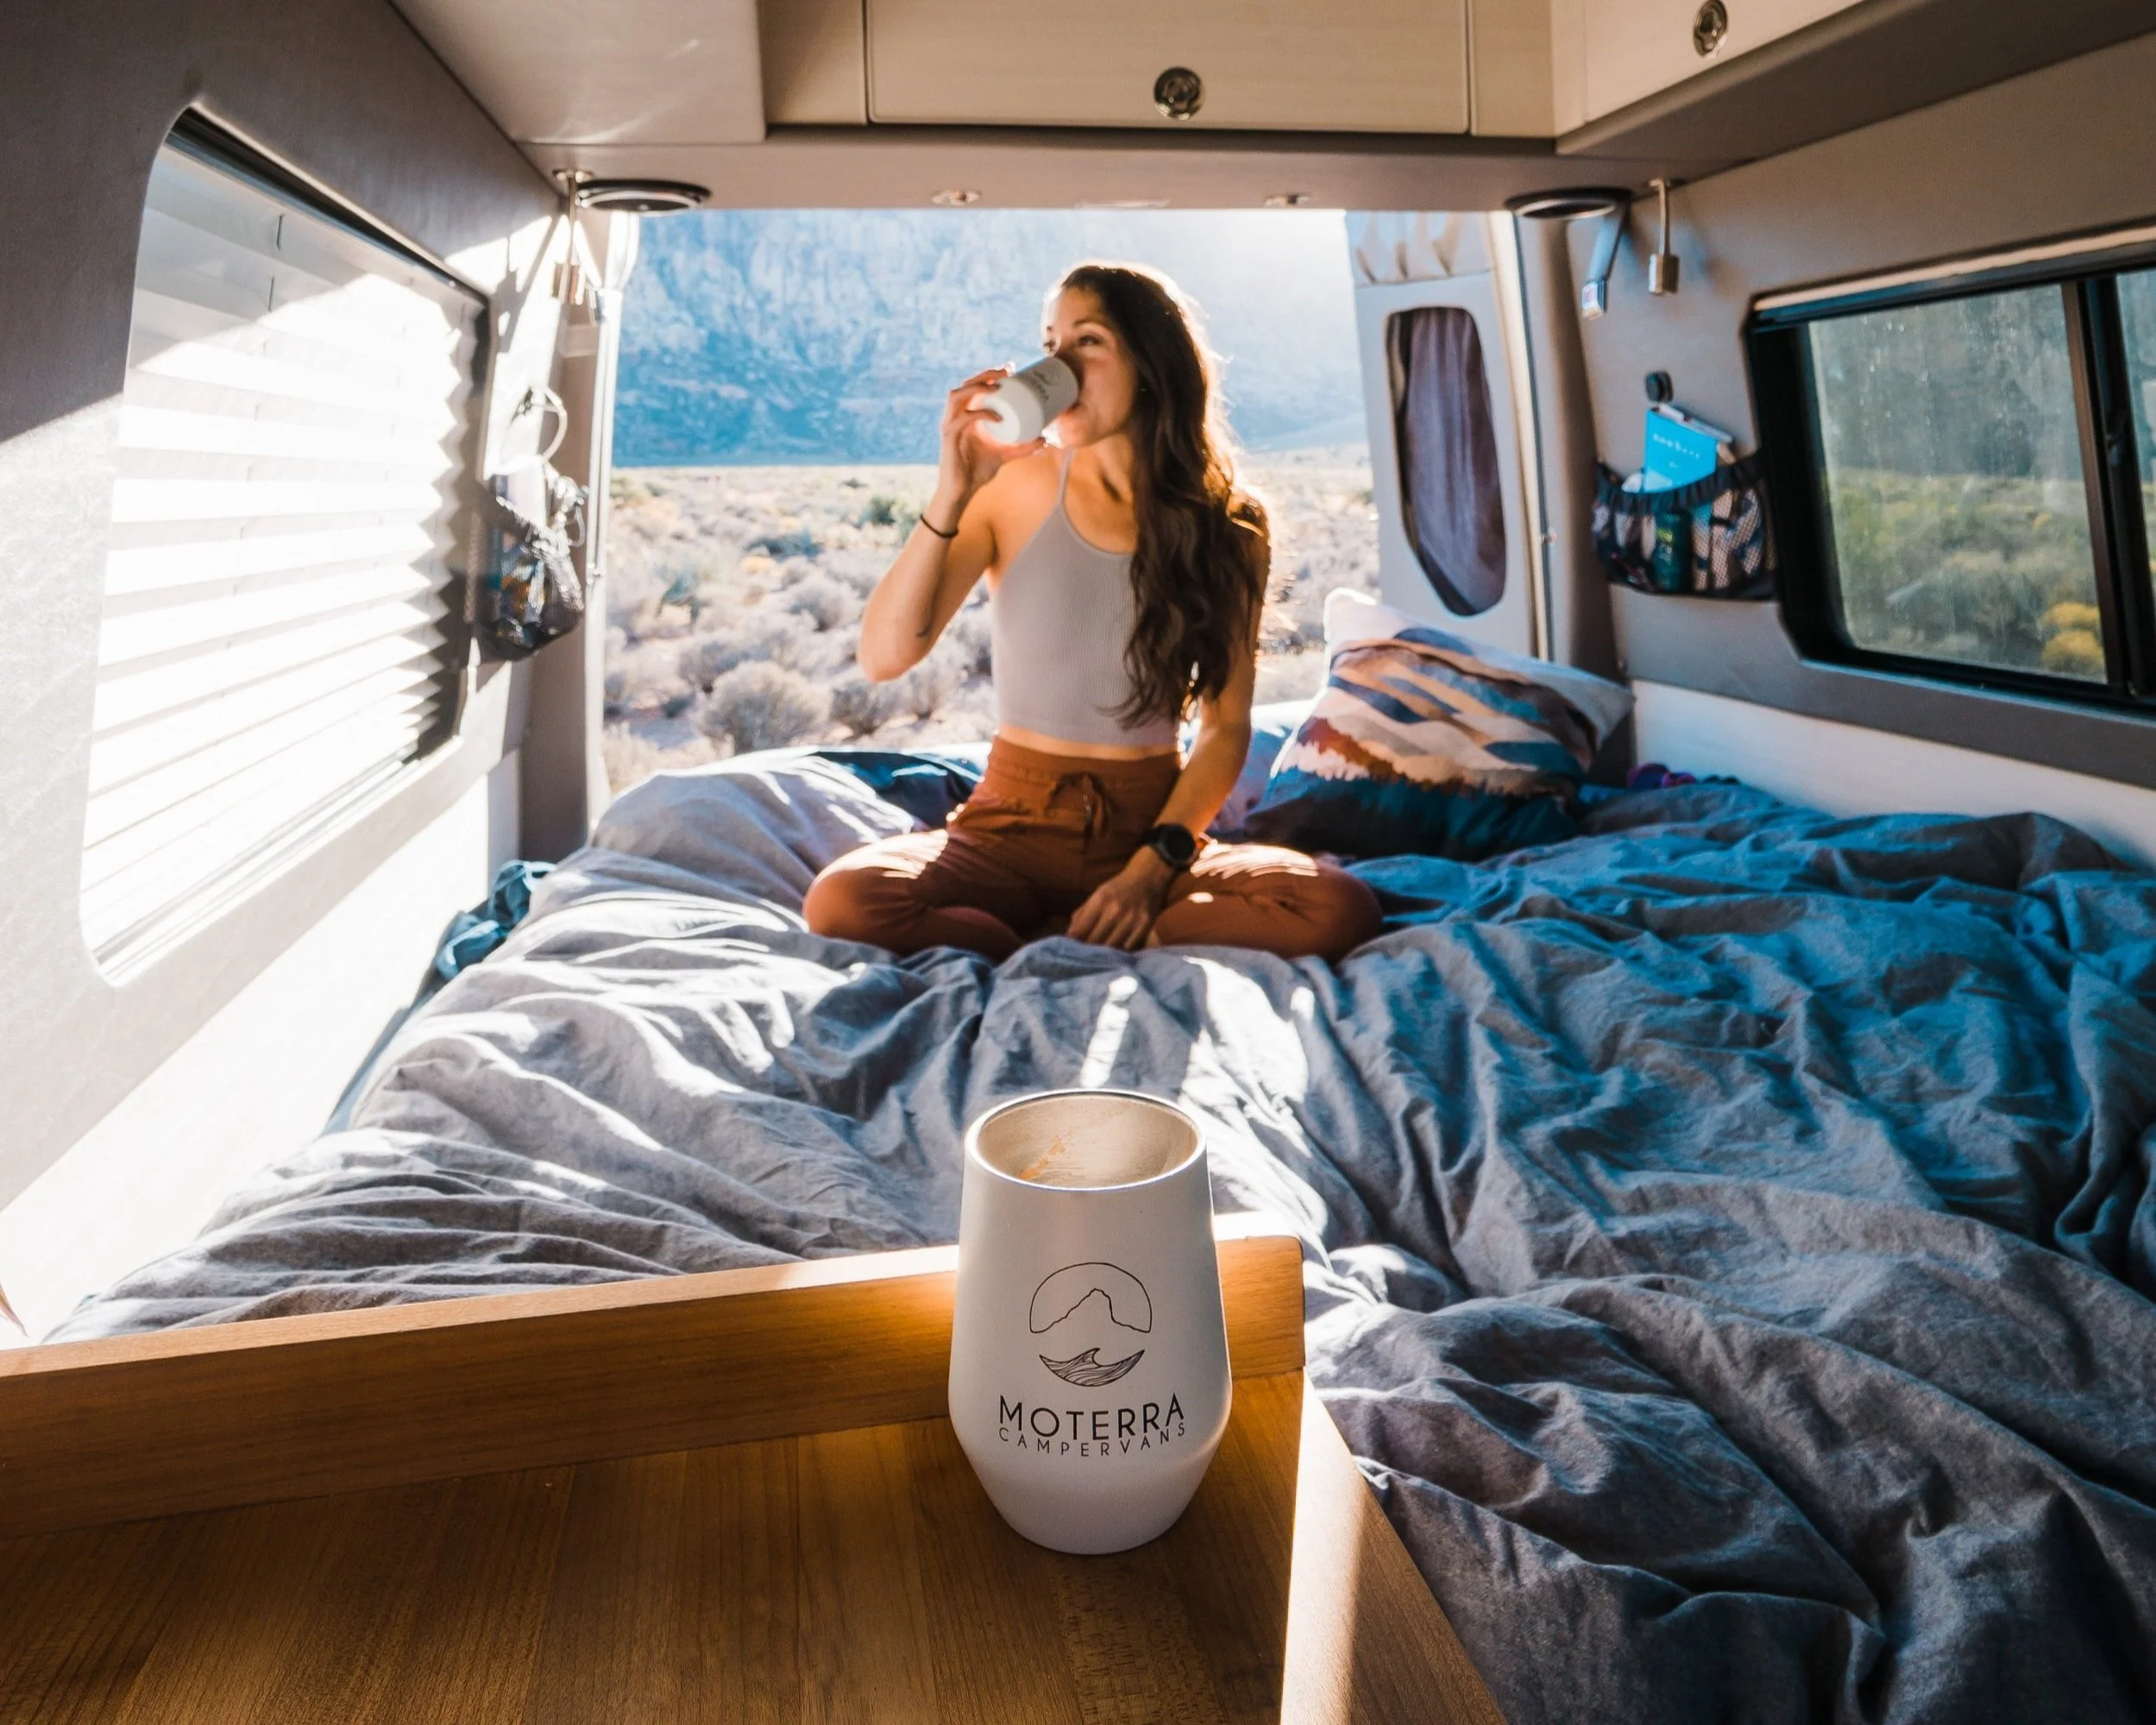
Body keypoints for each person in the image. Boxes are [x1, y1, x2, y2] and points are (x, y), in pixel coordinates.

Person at [803, 262, 1381, 966]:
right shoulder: (1010, 486)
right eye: (1050, 346)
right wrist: (952, 491)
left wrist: (1150, 872)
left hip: (1152, 830)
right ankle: (1065, 943)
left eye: (1087, 342)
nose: (1060, 368)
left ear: (1150, 363)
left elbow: (1224, 727)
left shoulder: (1229, 525)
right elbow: (883, 658)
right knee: (843, 901)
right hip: (1006, 828)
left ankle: (1086, 934)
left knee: (1337, 906)